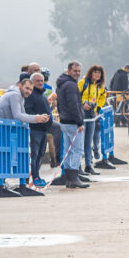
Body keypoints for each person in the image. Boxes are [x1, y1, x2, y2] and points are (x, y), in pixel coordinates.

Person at [0, 76, 51, 188]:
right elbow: (18, 116)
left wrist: (38, 117)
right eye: (27, 88)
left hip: (0, 127)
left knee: (2, 154)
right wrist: (36, 118)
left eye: (31, 90)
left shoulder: (21, 97)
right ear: (20, 86)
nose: (29, 92)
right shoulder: (15, 95)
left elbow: (23, 115)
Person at [56, 61, 89, 189]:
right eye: (75, 71)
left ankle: (69, 179)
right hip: (72, 122)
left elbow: (60, 104)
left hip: (64, 121)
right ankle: (74, 177)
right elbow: (73, 105)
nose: (77, 73)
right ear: (68, 71)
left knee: (67, 150)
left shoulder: (61, 83)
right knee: (77, 150)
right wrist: (79, 122)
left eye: (79, 71)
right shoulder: (71, 85)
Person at [23, 73, 53, 187]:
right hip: (34, 130)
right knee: (34, 155)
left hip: (43, 130)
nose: (40, 83)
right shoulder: (30, 95)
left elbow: (48, 111)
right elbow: (27, 111)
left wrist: (48, 120)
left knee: (40, 154)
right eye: (38, 81)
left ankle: (37, 176)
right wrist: (39, 118)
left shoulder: (43, 96)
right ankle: (34, 177)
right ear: (32, 82)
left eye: (42, 81)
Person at [78, 64, 106, 176]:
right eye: (95, 72)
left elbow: (103, 96)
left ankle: (88, 166)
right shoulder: (83, 82)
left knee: (88, 142)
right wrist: (82, 104)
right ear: (91, 73)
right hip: (81, 114)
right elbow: (75, 95)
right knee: (80, 142)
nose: (97, 74)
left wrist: (98, 109)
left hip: (92, 115)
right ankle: (78, 167)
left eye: (99, 73)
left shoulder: (99, 86)